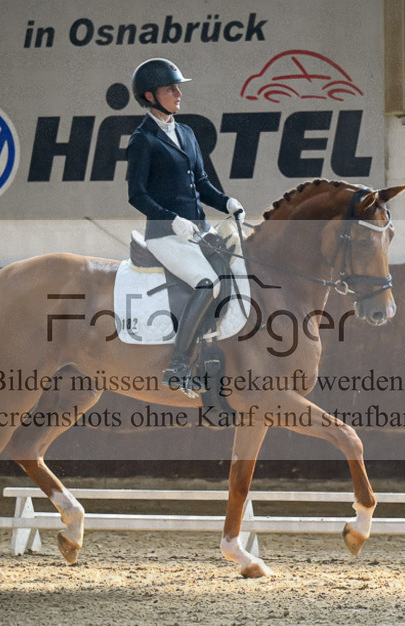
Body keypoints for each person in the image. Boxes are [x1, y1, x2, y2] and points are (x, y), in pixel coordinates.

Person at [126, 58, 245, 390]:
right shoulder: (142, 140)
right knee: (207, 283)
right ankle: (178, 365)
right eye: (170, 89)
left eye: (178, 87)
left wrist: (226, 202)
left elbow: (202, 183)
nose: (178, 93)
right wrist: (172, 219)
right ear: (150, 96)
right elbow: (136, 195)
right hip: (167, 235)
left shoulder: (186, 132)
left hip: (198, 230)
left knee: (235, 272)